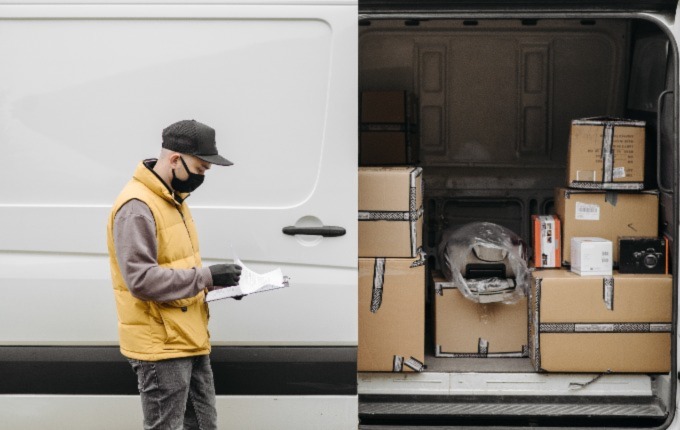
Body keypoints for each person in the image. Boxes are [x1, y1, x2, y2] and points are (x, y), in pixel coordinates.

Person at [106, 119, 242, 430]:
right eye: (200, 169)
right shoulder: (137, 206)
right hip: (161, 345)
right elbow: (141, 280)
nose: (202, 177)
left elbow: (178, 270)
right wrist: (206, 276)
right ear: (175, 160)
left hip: (189, 337)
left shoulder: (173, 201)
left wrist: (217, 285)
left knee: (204, 426)